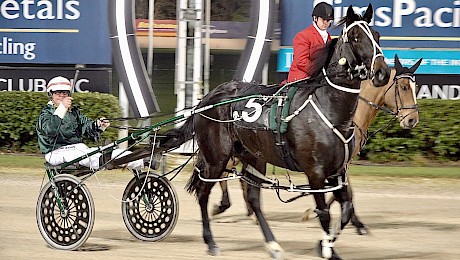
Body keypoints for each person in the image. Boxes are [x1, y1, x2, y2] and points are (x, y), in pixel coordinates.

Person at [36, 76, 143, 171]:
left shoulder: (74, 112)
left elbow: (86, 127)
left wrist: (98, 125)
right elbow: (50, 131)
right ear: (51, 95)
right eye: (58, 93)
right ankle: (104, 160)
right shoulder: (46, 113)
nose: (62, 96)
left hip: (77, 148)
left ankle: (142, 160)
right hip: (55, 152)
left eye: (65, 93)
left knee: (103, 151)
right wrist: (62, 108)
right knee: (84, 154)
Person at [287, 2, 334, 82]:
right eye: (323, 20)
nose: (326, 23)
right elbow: (301, 61)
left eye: (328, 20)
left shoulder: (328, 38)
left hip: (319, 80)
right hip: (302, 79)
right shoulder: (303, 36)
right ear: (315, 18)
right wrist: (319, 72)